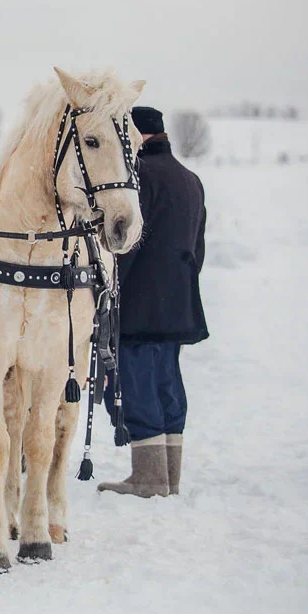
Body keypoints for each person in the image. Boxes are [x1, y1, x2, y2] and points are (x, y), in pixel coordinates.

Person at [99, 106, 208, 499]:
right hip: (178, 300)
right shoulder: (191, 179)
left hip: (140, 302)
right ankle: (168, 477)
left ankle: (147, 479)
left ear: (137, 135)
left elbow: (124, 243)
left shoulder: (138, 177)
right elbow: (198, 246)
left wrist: (109, 291)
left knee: (139, 382)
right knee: (167, 384)